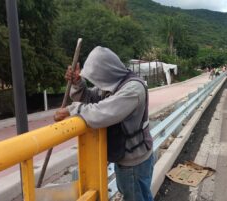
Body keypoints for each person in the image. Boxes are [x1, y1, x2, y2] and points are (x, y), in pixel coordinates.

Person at [54, 46, 154, 201]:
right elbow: (90, 98)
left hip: (134, 162)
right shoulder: (113, 84)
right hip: (125, 158)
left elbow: (102, 113)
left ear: (106, 72)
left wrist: (71, 109)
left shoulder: (133, 89)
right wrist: (78, 83)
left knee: (137, 196)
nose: (97, 84)